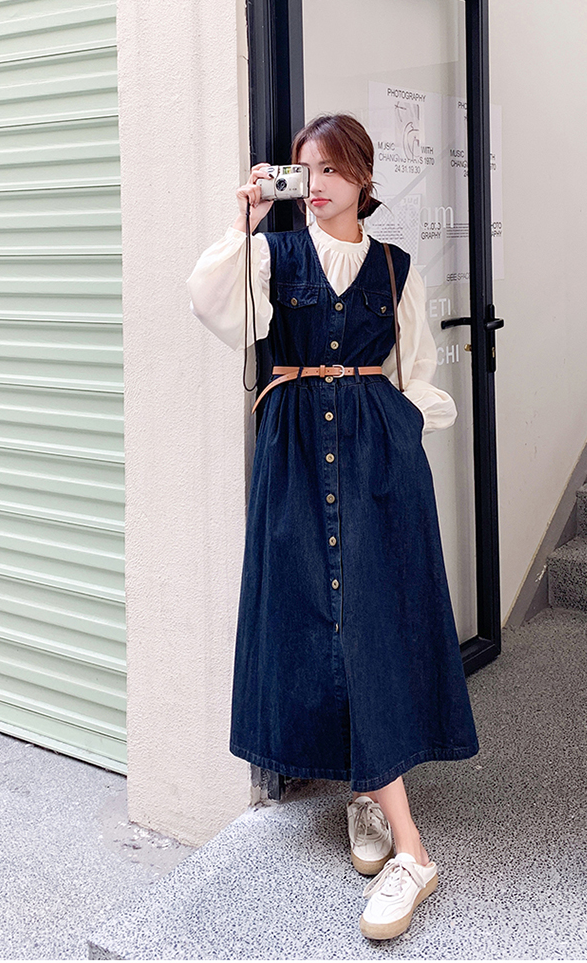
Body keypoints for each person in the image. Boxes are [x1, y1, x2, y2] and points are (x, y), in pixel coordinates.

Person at [186, 113, 479, 941]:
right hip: (294, 456)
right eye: (304, 170)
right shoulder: (273, 256)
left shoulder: (393, 266)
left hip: (377, 459)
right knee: (320, 618)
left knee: (371, 620)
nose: (315, 184)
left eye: (331, 169)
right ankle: (373, 800)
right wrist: (246, 223)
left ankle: (402, 839)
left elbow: (415, 367)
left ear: (363, 178)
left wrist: (403, 432)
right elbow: (216, 307)